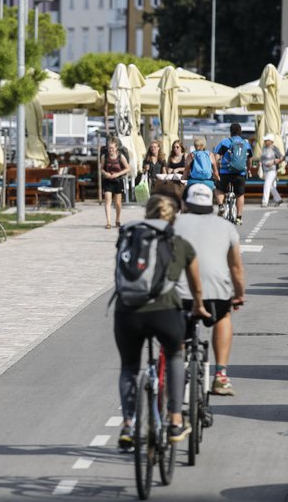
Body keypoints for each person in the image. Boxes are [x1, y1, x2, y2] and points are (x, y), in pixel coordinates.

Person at [114, 194, 210, 448]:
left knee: (129, 368)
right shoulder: (179, 243)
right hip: (164, 312)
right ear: (173, 218)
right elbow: (196, 286)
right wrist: (199, 306)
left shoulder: (129, 237)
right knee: (176, 354)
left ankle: (128, 426)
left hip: (127, 312)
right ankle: (176, 419)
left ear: (147, 214)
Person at [175, 184, 247, 396]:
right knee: (223, 316)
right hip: (215, 292)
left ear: (184, 203)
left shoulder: (173, 223)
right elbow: (236, 268)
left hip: (180, 293)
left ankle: (177, 372)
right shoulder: (226, 227)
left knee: (177, 328)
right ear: (211, 203)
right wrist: (239, 294)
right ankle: (221, 375)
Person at [213, 123, 253, 225]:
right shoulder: (246, 143)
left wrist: (217, 169)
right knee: (240, 194)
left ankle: (221, 205)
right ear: (240, 132)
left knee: (219, 189)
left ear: (230, 132)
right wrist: (248, 169)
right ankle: (239, 217)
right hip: (240, 172)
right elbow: (250, 160)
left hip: (225, 172)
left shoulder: (224, 142)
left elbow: (216, 158)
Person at [101, 141, 131, 230]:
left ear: (116, 148)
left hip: (118, 181)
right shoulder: (104, 156)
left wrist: (118, 174)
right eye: (109, 148)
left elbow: (128, 168)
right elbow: (101, 168)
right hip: (108, 181)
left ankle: (117, 220)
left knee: (118, 203)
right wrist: (105, 173)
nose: (111, 150)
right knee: (108, 201)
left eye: (112, 148)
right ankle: (108, 222)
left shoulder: (120, 156)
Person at [258, 134, 284, 208]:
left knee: (266, 184)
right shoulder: (264, 148)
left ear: (271, 141)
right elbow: (262, 158)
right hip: (265, 170)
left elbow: (281, 157)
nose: (265, 141)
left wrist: (274, 162)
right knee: (271, 186)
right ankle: (278, 199)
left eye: (267, 140)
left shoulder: (274, 148)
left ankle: (265, 201)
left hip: (272, 170)